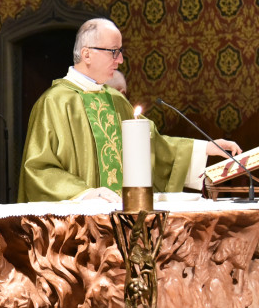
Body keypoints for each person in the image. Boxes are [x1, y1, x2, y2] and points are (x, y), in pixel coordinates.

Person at [18, 18, 242, 203]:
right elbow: (38, 170)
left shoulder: (115, 100)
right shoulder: (54, 103)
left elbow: (154, 146)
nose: (121, 60)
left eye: (121, 51)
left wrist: (206, 149)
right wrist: (84, 193)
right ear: (86, 54)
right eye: (113, 52)